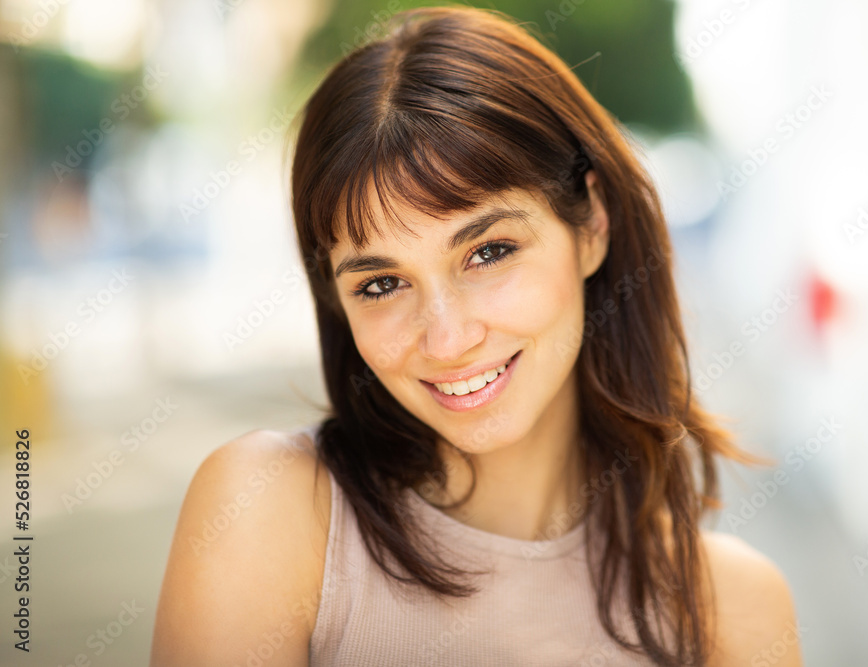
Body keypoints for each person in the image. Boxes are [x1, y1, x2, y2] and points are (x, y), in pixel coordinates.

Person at [151, 5, 803, 666]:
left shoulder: (731, 610)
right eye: (380, 284)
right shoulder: (265, 512)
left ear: (592, 223)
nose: (447, 337)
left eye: (489, 252)